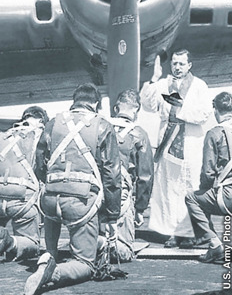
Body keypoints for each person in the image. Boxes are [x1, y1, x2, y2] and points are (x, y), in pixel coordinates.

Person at [24, 83, 121, 295]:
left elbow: (39, 164)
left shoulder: (53, 123)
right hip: (81, 203)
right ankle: (51, 273)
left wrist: (53, 183)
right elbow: (112, 176)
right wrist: (112, 217)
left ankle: (48, 255)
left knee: (53, 227)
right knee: (85, 264)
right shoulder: (103, 125)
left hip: (49, 201)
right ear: (96, 104)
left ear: (74, 101)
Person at [140, 49, 212, 248]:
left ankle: (190, 233)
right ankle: (172, 232)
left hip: (190, 143)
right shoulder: (163, 84)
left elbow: (204, 113)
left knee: (188, 188)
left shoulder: (199, 86)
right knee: (169, 188)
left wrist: (180, 108)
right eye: (174, 63)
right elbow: (147, 104)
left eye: (181, 64)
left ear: (189, 65)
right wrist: (153, 79)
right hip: (167, 143)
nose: (177, 67)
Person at [99, 89, 154, 262]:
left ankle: (97, 243)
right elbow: (145, 176)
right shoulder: (139, 134)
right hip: (121, 197)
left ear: (116, 108)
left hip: (96, 195)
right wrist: (140, 209)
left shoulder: (99, 127)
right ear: (136, 110)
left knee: (93, 247)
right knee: (123, 254)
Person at [185, 91, 232, 263]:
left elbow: (208, 173)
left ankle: (215, 245)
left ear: (215, 110)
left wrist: (205, 188)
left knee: (192, 198)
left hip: (229, 197)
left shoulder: (214, 134)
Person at [0, 105, 49, 261]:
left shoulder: (5, 135)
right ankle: (9, 242)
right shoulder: (39, 134)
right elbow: (42, 170)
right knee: (32, 244)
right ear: (41, 120)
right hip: (22, 198)